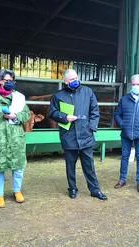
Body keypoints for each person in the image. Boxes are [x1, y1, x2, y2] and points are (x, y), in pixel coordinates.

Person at [49, 69, 107, 200]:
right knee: (70, 165)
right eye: (71, 80)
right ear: (65, 82)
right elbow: (52, 113)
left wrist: (91, 127)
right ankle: (72, 188)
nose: (75, 81)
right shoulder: (58, 95)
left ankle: (95, 190)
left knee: (89, 165)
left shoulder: (87, 92)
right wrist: (64, 117)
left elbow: (94, 111)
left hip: (85, 134)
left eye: (76, 78)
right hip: (68, 135)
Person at [0, 69, 30, 208]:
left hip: (15, 139)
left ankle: (17, 191)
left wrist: (16, 117)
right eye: (6, 80)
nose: (9, 83)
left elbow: (26, 114)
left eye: (11, 81)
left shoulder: (18, 97)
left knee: (18, 167)